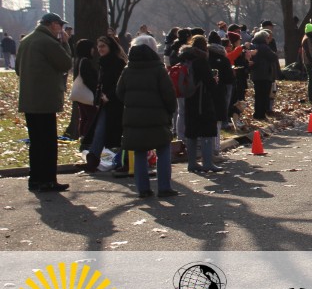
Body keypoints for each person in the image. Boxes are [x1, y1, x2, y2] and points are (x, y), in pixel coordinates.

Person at [15, 13, 73, 192]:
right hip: (45, 99)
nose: (61, 29)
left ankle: (35, 179)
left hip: (29, 99)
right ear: (53, 24)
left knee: (36, 142)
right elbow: (65, 63)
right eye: (60, 25)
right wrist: (65, 43)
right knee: (48, 142)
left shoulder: (26, 40)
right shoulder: (48, 42)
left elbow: (17, 68)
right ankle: (48, 180)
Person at [117, 34, 179, 198]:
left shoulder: (128, 70)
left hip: (134, 118)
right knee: (163, 149)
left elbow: (119, 92)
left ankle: (143, 188)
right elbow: (169, 94)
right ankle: (164, 187)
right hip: (157, 116)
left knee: (140, 152)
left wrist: (131, 103)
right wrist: (170, 110)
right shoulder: (158, 70)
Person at [83, 35, 127, 173]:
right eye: (98, 46)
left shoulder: (118, 62)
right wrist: (99, 98)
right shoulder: (103, 62)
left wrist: (110, 96)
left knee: (120, 132)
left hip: (116, 103)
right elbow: (101, 83)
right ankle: (93, 160)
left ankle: (125, 161)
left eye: (103, 46)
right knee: (99, 130)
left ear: (110, 47)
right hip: (105, 102)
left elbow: (120, 83)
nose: (100, 49)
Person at [179, 35, 221, 172]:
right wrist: (215, 81)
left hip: (189, 98)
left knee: (191, 132)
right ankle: (207, 162)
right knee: (207, 131)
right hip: (202, 100)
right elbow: (209, 83)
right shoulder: (201, 60)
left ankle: (192, 162)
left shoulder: (185, 59)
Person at [70, 39, 99, 143]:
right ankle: (87, 137)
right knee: (91, 116)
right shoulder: (85, 61)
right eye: (92, 48)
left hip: (80, 95)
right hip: (86, 93)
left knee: (84, 116)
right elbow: (87, 79)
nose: (93, 50)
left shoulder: (79, 60)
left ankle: (82, 135)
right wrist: (95, 89)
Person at [248, 30, 278, 120]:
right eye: (267, 38)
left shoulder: (252, 45)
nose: (269, 39)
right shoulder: (264, 47)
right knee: (264, 95)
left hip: (255, 74)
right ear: (264, 38)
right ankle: (262, 114)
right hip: (265, 74)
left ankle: (257, 113)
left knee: (258, 95)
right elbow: (273, 57)